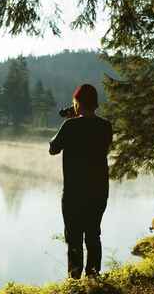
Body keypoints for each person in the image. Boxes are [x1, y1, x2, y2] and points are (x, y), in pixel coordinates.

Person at [49, 84, 112, 279]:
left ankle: (75, 280)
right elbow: (105, 148)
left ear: (77, 103)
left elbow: (53, 148)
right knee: (93, 235)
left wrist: (71, 120)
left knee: (74, 238)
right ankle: (93, 278)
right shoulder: (105, 126)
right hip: (99, 191)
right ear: (95, 104)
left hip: (74, 192)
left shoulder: (70, 126)